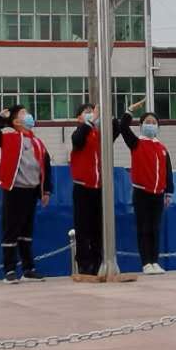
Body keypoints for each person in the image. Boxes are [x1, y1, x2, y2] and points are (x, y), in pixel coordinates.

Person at [0, 104, 51, 283]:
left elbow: (46, 167)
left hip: (32, 191)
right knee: (11, 230)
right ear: (16, 122)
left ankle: (28, 269)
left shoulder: (38, 142)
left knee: (26, 231)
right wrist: (0, 119)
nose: (28, 115)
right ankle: (9, 270)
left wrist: (46, 190)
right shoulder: (9, 138)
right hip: (14, 190)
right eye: (23, 113)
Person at [116, 98, 174, 274]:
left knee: (155, 229)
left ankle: (155, 261)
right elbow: (123, 127)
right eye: (148, 122)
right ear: (141, 126)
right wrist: (130, 111)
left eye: (154, 122)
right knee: (144, 228)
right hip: (141, 192)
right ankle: (146, 262)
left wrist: (169, 192)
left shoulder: (162, 148)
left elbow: (168, 171)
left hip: (158, 193)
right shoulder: (136, 143)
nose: (151, 125)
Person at [68, 102, 104, 276]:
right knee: (83, 227)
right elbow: (77, 140)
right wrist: (90, 121)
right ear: (79, 117)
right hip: (82, 187)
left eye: (93, 111)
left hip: (98, 187)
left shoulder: (99, 134)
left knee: (98, 227)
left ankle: (98, 262)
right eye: (87, 112)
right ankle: (84, 263)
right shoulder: (79, 132)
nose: (92, 114)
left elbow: (116, 129)